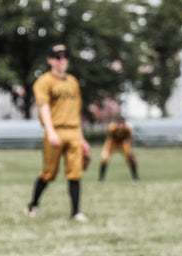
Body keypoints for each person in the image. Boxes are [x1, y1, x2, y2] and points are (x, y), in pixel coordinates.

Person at [25, 43, 91, 221]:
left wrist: (82, 138)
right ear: (50, 60)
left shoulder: (72, 82)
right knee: (49, 172)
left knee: (75, 173)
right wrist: (50, 131)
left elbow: (76, 112)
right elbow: (44, 107)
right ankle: (33, 205)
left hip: (73, 132)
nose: (63, 60)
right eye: (58, 57)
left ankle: (75, 212)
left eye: (65, 56)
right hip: (55, 130)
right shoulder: (44, 81)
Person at [98, 115, 139, 182]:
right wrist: (105, 150)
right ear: (116, 124)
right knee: (104, 158)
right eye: (119, 124)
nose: (120, 126)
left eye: (122, 124)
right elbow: (110, 138)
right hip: (113, 142)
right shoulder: (112, 127)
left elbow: (129, 139)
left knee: (130, 157)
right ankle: (101, 178)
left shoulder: (127, 128)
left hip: (122, 142)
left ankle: (135, 177)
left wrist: (130, 150)